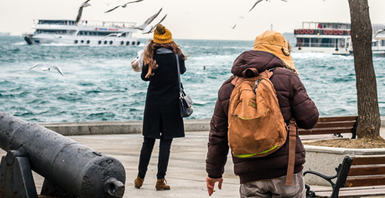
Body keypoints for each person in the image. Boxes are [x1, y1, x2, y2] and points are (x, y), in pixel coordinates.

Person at [205, 30, 319, 197]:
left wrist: (213, 173)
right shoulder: (287, 78)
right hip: (286, 172)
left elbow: (218, 136)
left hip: (249, 174)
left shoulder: (228, 87)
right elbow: (309, 119)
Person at [134, 24, 187, 190]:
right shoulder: (176, 56)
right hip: (171, 103)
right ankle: (160, 180)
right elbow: (182, 71)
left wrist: (152, 70)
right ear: (169, 39)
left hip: (153, 103)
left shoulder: (149, 55)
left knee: (148, 141)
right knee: (166, 142)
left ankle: (140, 178)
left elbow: (144, 78)